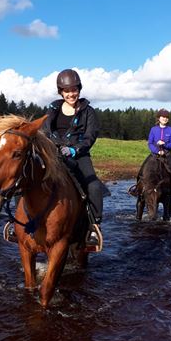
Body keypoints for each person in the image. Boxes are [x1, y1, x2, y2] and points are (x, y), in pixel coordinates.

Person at [45, 68, 104, 247]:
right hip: (54, 153)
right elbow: (46, 130)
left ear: (79, 89)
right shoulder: (53, 109)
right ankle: (19, 224)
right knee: (27, 177)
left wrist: (74, 150)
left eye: (74, 90)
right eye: (67, 91)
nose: (71, 94)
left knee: (94, 186)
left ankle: (93, 227)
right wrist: (55, 146)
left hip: (79, 156)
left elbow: (90, 136)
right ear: (61, 92)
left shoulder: (88, 112)